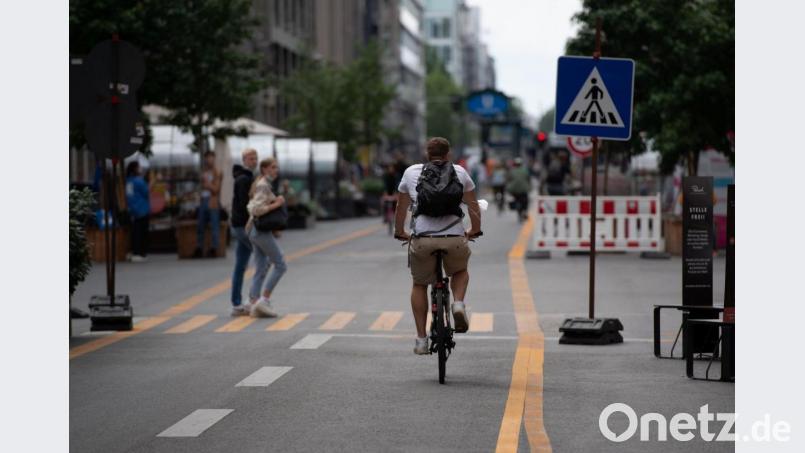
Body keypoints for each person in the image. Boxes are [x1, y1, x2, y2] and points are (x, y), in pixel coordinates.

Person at [394, 137, 482, 355]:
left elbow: (401, 207)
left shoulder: (411, 172)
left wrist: (400, 232)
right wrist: (474, 230)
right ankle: (459, 304)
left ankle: (421, 340)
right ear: (448, 154)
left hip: (423, 239)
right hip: (454, 237)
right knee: (460, 271)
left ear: (427, 153)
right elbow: (473, 206)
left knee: (419, 284)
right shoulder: (460, 172)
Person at [246, 158, 288, 318]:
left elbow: (251, 207)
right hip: (259, 231)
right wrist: (277, 203)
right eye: (272, 167)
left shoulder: (260, 183)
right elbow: (256, 209)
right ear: (264, 169)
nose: (276, 170)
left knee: (262, 266)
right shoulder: (263, 185)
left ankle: (253, 302)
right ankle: (264, 300)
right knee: (280, 264)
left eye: (277, 167)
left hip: (253, 230)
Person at [229, 148, 263, 316]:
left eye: (255, 158)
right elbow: (246, 205)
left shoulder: (248, 177)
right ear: (244, 160)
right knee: (262, 256)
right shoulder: (244, 179)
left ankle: (236, 304)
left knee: (240, 266)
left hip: (239, 225)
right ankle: (253, 300)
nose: (254, 161)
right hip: (243, 226)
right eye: (250, 158)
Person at [194, 151, 223, 258]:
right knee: (200, 226)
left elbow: (216, 189)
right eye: (207, 158)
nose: (209, 160)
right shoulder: (204, 172)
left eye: (211, 158)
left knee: (214, 226)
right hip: (203, 200)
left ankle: (214, 249)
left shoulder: (217, 172)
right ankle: (199, 247)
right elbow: (201, 187)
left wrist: (207, 184)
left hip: (212, 201)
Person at [125, 161, 150, 262]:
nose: (141, 169)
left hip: (133, 209)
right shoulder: (139, 181)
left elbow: (129, 196)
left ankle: (136, 251)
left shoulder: (129, 181)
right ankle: (140, 252)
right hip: (142, 209)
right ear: (135, 169)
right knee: (142, 232)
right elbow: (146, 192)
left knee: (135, 231)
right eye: (139, 167)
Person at [506, 157, 531, 222]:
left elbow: (508, 179)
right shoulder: (525, 170)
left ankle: (519, 211)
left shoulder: (512, 171)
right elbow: (528, 179)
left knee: (517, 200)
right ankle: (524, 211)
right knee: (526, 201)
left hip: (514, 190)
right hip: (523, 189)